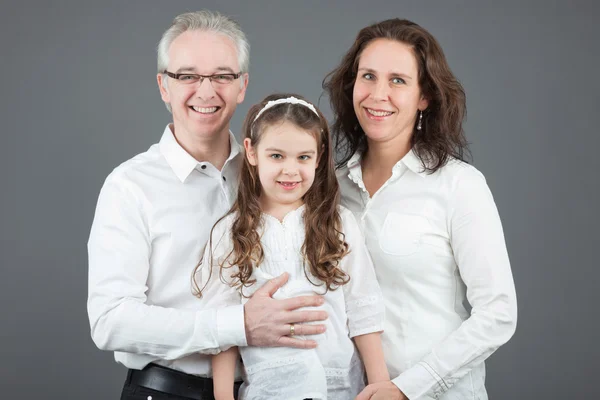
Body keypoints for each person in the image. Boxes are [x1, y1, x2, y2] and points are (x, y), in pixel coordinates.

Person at [87, 11, 327, 400]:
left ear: (242, 85)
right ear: (164, 86)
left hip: (271, 389)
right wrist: (237, 326)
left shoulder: (277, 174)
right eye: (187, 76)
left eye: (222, 76)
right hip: (166, 390)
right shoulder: (129, 186)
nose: (206, 91)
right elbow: (111, 322)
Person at [323, 19, 518, 400]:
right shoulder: (329, 188)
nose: (378, 94)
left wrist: (406, 388)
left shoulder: (459, 185)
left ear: (424, 96)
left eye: (398, 80)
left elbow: (498, 314)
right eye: (368, 76)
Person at [195, 94, 389, 400]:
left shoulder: (338, 223)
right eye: (276, 156)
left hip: (337, 388)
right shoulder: (231, 232)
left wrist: (380, 386)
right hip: (269, 389)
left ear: (319, 156)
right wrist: (223, 397)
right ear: (252, 152)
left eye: (303, 157)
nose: (291, 170)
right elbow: (223, 326)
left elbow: (363, 308)